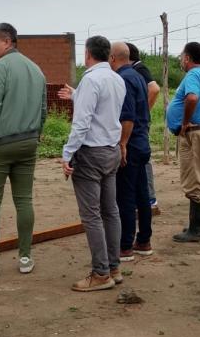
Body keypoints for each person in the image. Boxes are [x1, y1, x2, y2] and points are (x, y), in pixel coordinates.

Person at [0, 23, 47, 275]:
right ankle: (25, 258)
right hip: (28, 143)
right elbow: (43, 109)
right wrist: (36, 135)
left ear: (8, 41)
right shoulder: (36, 69)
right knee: (24, 200)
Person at [59, 35, 126, 291]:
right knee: (110, 211)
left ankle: (100, 273)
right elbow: (103, 110)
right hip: (111, 150)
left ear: (87, 54)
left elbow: (82, 122)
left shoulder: (90, 79)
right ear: (107, 54)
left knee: (92, 215)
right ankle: (113, 267)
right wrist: (77, 95)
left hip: (91, 154)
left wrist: (67, 153)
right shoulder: (116, 79)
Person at [166, 42, 200, 242]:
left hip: (195, 134)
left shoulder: (193, 75)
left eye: (182, 57)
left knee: (196, 180)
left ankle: (197, 229)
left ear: (187, 58)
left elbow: (192, 98)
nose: (181, 60)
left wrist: (185, 122)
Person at [109, 43, 153, 261]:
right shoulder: (137, 76)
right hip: (142, 141)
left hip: (132, 144)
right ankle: (143, 241)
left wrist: (122, 144)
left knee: (125, 195)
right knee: (142, 194)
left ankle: (125, 245)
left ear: (112, 58)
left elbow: (127, 116)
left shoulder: (123, 79)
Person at [126, 43, 161, 216]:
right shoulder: (134, 70)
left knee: (142, 158)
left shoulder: (139, 68)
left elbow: (154, 89)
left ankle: (150, 199)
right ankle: (142, 198)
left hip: (138, 123)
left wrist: (142, 112)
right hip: (138, 122)